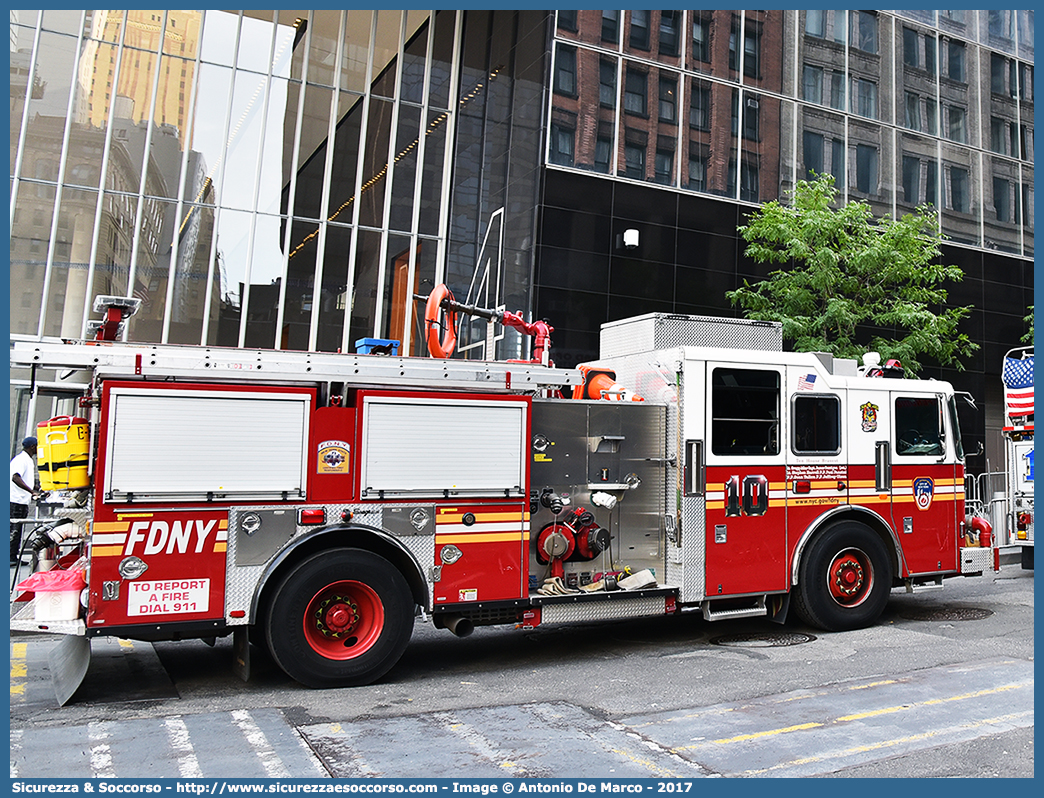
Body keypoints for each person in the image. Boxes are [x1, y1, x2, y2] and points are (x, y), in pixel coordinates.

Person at [11, 436, 42, 565]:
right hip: (15, 501)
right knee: (14, 530)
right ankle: (10, 558)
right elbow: (15, 477)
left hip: (21, 501)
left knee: (17, 529)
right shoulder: (21, 460)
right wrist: (32, 492)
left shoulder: (27, 460)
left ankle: (13, 556)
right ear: (33, 447)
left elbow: (26, 480)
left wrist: (39, 488)